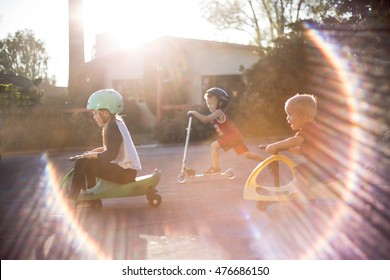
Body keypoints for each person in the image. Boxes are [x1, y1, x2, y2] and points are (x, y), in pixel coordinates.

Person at [66, 89, 142, 207]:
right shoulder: (117, 122)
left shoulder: (113, 126)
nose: (94, 117)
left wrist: (90, 156)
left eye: (95, 113)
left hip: (125, 174)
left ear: (105, 113)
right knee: (87, 161)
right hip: (128, 172)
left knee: (82, 162)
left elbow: (109, 155)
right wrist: (93, 152)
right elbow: (112, 148)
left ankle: (71, 201)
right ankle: (92, 198)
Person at [265, 93, 339, 197]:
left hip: (326, 167)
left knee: (301, 171)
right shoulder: (312, 129)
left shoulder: (308, 129)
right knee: (303, 170)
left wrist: (276, 145)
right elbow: (306, 150)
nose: (287, 118)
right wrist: (291, 149)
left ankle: (303, 197)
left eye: (290, 114)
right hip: (328, 166)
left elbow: (295, 140)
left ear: (303, 115)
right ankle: (305, 193)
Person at [188, 87, 263, 175]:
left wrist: (194, 113)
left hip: (232, 137)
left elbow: (205, 119)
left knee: (214, 146)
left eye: (211, 104)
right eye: (208, 104)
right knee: (248, 155)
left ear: (220, 103)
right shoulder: (216, 112)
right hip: (235, 137)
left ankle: (215, 168)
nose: (209, 106)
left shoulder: (219, 112)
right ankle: (268, 162)